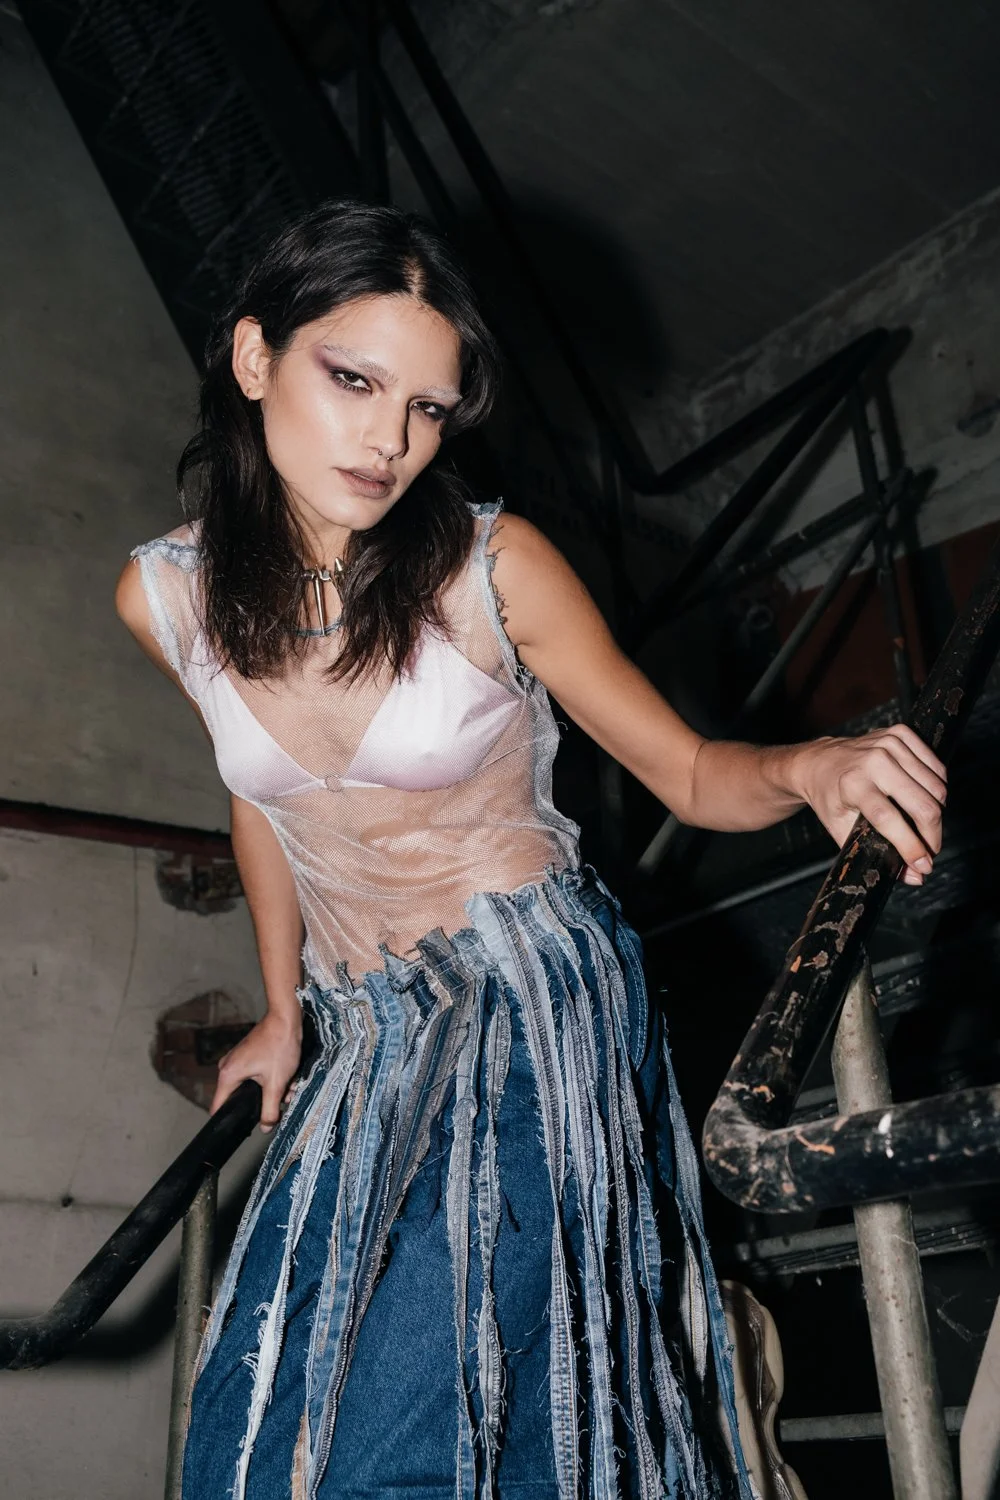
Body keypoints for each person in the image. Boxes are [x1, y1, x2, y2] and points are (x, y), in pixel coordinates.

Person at [116, 201, 946, 1500]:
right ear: (252, 357)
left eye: (432, 408)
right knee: (252, 1436)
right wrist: (280, 1011)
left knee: (407, 1444)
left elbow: (684, 770)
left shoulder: (490, 572)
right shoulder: (166, 597)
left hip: (524, 1002)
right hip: (362, 1032)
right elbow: (265, 803)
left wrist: (810, 764)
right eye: (355, 380)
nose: (392, 439)